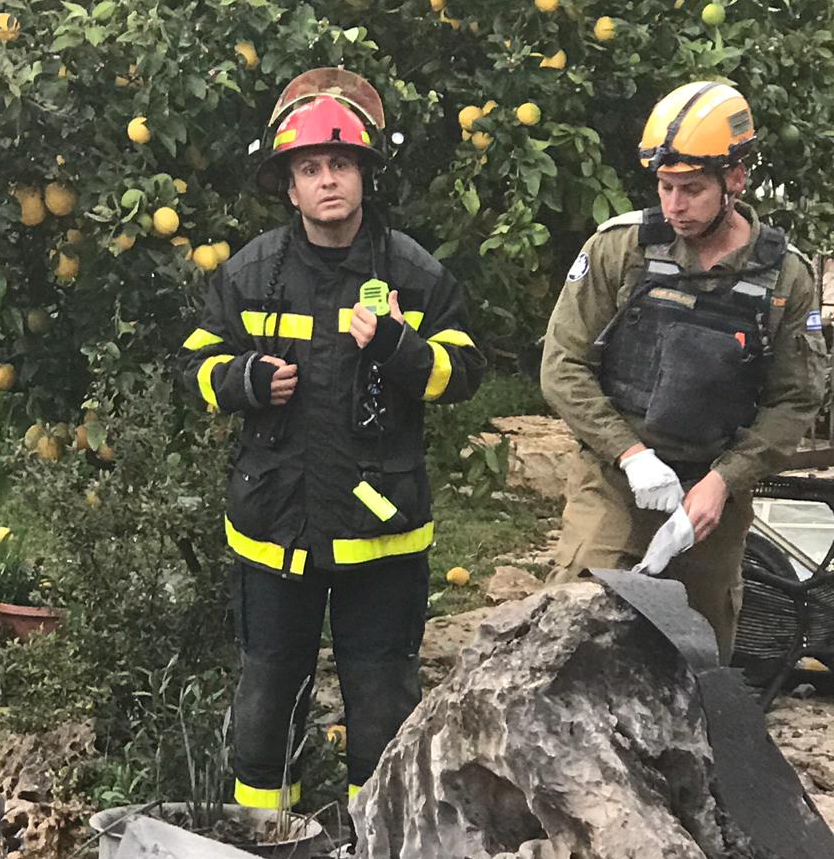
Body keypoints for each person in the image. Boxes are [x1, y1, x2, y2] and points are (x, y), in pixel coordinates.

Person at [180, 68, 485, 809]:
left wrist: (401, 348)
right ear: (289, 187)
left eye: (340, 165)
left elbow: (467, 370)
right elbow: (193, 367)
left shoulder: (414, 274)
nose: (327, 181)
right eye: (310, 168)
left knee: (381, 701)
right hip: (275, 526)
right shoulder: (249, 273)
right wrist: (246, 379)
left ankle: (371, 849)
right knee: (266, 696)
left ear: (363, 175)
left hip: (379, 534)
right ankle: (263, 843)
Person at [541, 78, 828, 661]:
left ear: (735, 179)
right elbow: (563, 365)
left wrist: (723, 482)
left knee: (698, 653)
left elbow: (795, 399)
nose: (675, 205)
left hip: (713, 486)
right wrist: (631, 455)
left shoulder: (785, 278)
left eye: (692, 189)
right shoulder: (620, 249)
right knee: (576, 632)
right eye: (665, 187)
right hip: (616, 479)